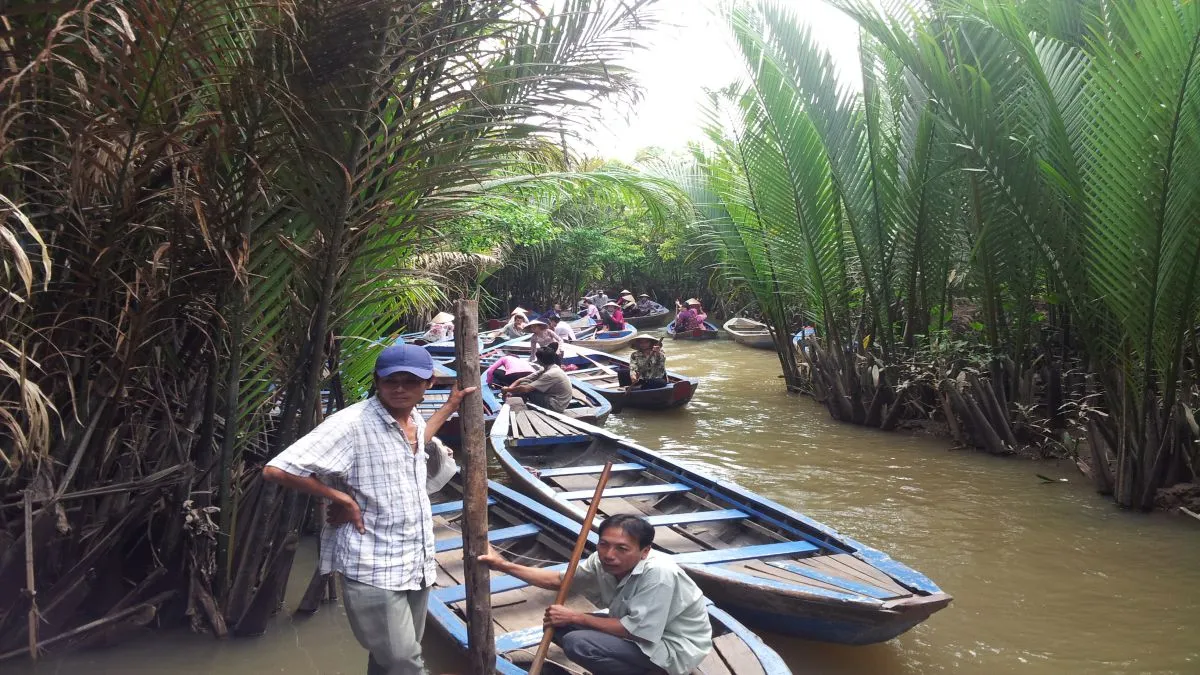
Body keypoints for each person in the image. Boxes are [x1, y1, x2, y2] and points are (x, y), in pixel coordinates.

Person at [263, 344, 477, 675]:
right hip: (372, 564)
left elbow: (418, 441)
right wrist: (341, 498)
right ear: (378, 381)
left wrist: (449, 407)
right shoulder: (351, 423)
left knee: (386, 659)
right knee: (405, 662)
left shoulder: (412, 417)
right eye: (392, 381)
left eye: (410, 381)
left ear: (428, 383)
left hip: (416, 560)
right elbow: (278, 469)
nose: (401, 389)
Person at [477, 514, 713, 675]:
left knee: (577, 642)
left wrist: (576, 617)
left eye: (622, 548)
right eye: (603, 544)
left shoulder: (659, 573)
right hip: (640, 631)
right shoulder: (602, 561)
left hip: (673, 645)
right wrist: (503, 565)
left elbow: (634, 630)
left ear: (645, 551)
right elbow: (559, 581)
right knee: (557, 626)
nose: (609, 554)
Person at [503, 345, 573, 412]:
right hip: (555, 399)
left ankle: (517, 409)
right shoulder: (547, 368)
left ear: (540, 361)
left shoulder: (550, 374)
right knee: (525, 382)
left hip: (556, 405)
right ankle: (513, 401)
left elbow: (525, 389)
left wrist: (508, 389)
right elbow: (521, 379)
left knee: (525, 389)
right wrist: (509, 390)